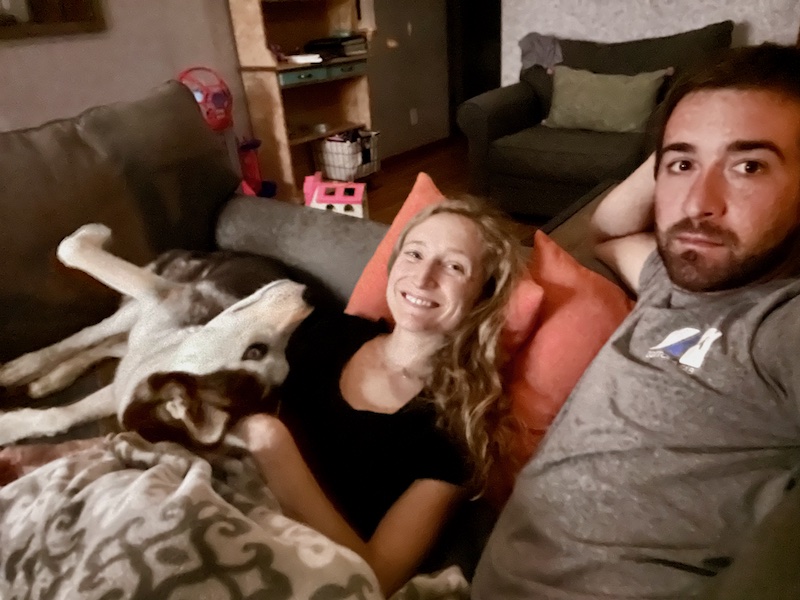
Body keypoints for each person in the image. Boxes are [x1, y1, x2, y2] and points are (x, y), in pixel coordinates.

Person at [472, 43, 800, 599]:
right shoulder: (669, 278)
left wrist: (693, 146)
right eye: (682, 165)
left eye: (749, 165)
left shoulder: (779, 321)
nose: (699, 202)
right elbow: (607, 230)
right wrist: (685, 140)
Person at [234, 197, 526, 596]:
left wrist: (274, 447)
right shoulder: (328, 332)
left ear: (483, 296)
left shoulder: (454, 430)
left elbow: (376, 576)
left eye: (455, 266)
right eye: (415, 253)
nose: (423, 278)